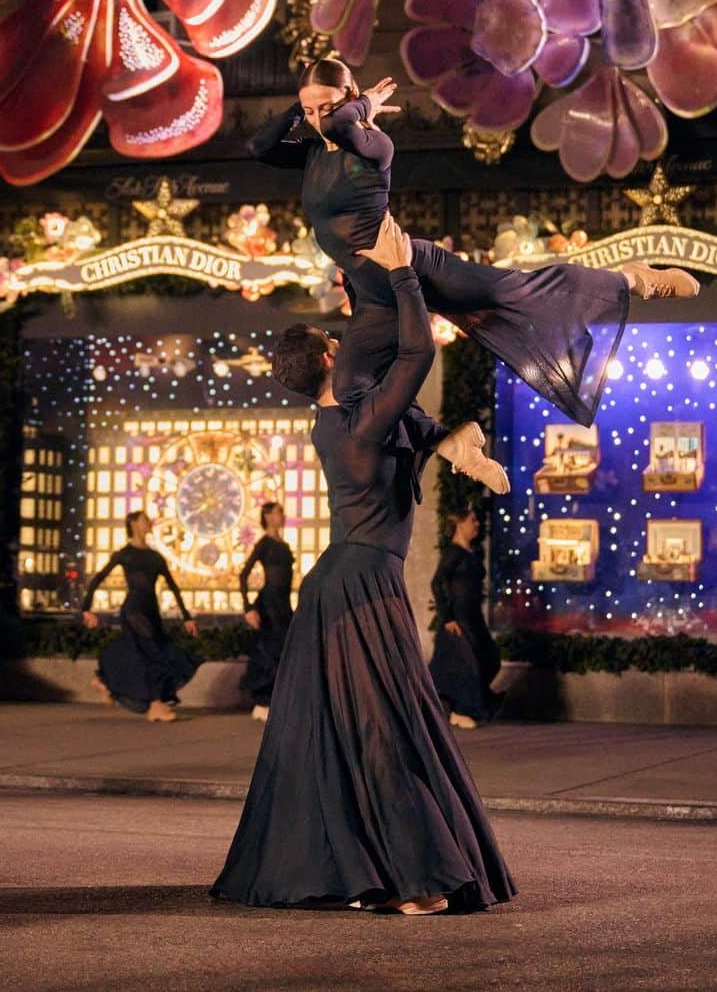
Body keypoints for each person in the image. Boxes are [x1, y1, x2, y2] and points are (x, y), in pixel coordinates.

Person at [212, 213, 516, 914]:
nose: (345, 348)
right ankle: (416, 880)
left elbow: (420, 425)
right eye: (333, 343)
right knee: (384, 730)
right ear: (326, 363)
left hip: (351, 583)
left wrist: (457, 446)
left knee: (359, 734)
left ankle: (372, 870)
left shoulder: (346, 420)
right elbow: (415, 358)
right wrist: (405, 271)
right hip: (357, 588)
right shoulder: (355, 424)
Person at [249, 57, 698, 429]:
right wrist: (302, 106)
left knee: (513, 290)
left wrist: (362, 104)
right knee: (349, 386)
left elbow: (346, 127)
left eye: (326, 108)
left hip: (414, 267)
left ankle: (632, 280)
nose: (317, 120)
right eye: (309, 112)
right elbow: (259, 146)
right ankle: (443, 443)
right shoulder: (310, 154)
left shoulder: (374, 145)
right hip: (373, 295)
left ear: (348, 99)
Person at [81, 511, 201, 723]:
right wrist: (86, 609)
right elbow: (98, 578)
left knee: (148, 652)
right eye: (145, 519)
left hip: (151, 610)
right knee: (151, 653)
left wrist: (187, 617)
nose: (149, 522)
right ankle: (155, 704)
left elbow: (173, 587)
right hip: (134, 610)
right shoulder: (125, 554)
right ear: (133, 524)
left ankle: (103, 680)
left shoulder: (155, 557)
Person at [429, 510, 502, 730]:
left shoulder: (470, 552)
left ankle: (464, 705)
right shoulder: (454, 553)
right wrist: (448, 617)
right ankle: (460, 711)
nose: (477, 524)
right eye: (473, 520)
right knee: (468, 663)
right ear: (460, 524)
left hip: (472, 615)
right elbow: (436, 582)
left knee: (489, 657)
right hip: (459, 617)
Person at [239, 502, 295, 722]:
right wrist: (248, 608)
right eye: (280, 512)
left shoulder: (282, 544)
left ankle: (273, 701)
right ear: (268, 516)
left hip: (283, 604)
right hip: (269, 603)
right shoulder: (264, 543)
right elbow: (243, 575)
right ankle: (262, 702)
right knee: (271, 650)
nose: (283, 515)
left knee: (285, 650)